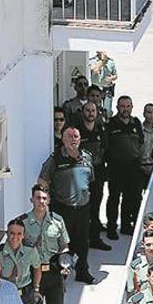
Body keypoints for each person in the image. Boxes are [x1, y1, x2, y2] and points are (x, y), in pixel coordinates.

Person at [18, 184, 69, 304]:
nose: (41, 201)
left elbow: (64, 246)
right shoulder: (22, 222)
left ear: (49, 200)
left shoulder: (57, 221)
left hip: (54, 275)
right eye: (38, 198)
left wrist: (66, 264)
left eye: (44, 198)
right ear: (31, 199)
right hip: (33, 277)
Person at [38, 126, 95, 284]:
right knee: (61, 243)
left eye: (76, 136)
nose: (73, 139)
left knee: (82, 243)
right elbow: (42, 181)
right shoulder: (55, 158)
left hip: (83, 209)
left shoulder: (87, 157)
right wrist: (46, 201)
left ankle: (82, 271)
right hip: (62, 209)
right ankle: (59, 275)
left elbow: (89, 179)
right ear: (63, 139)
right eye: (69, 136)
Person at [105, 95, 145, 239]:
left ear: (132, 107)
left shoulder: (136, 123)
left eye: (128, 106)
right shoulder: (111, 123)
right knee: (114, 198)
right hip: (116, 167)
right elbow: (105, 145)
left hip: (133, 167)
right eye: (122, 106)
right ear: (117, 107)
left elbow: (141, 143)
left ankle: (126, 226)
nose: (125, 109)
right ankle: (111, 228)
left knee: (130, 198)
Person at [74, 101, 112, 251]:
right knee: (81, 209)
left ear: (97, 113)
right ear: (83, 112)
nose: (90, 113)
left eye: (93, 111)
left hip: (97, 175)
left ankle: (95, 239)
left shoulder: (100, 129)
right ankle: (80, 241)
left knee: (95, 207)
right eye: (88, 110)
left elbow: (105, 149)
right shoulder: (77, 131)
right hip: (81, 176)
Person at [89, 51, 117, 115]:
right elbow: (95, 70)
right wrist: (102, 61)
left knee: (107, 111)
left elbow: (115, 75)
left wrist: (111, 78)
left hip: (107, 88)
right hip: (95, 88)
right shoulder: (92, 60)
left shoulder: (111, 62)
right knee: (94, 108)